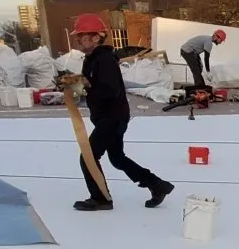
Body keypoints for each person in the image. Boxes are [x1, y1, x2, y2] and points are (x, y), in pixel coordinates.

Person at [67, 13, 173, 212]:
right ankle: (157, 185)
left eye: (81, 35)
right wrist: (80, 83)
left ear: (96, 37)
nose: (78, 39)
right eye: (77, 36)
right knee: (117, 158)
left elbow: (109, 89)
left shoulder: (104, 59)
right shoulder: (92, 59)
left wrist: (86, 87)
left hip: (111, 117)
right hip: (110, 116)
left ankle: (100, 199)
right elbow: (97, 84)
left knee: (88, 157)